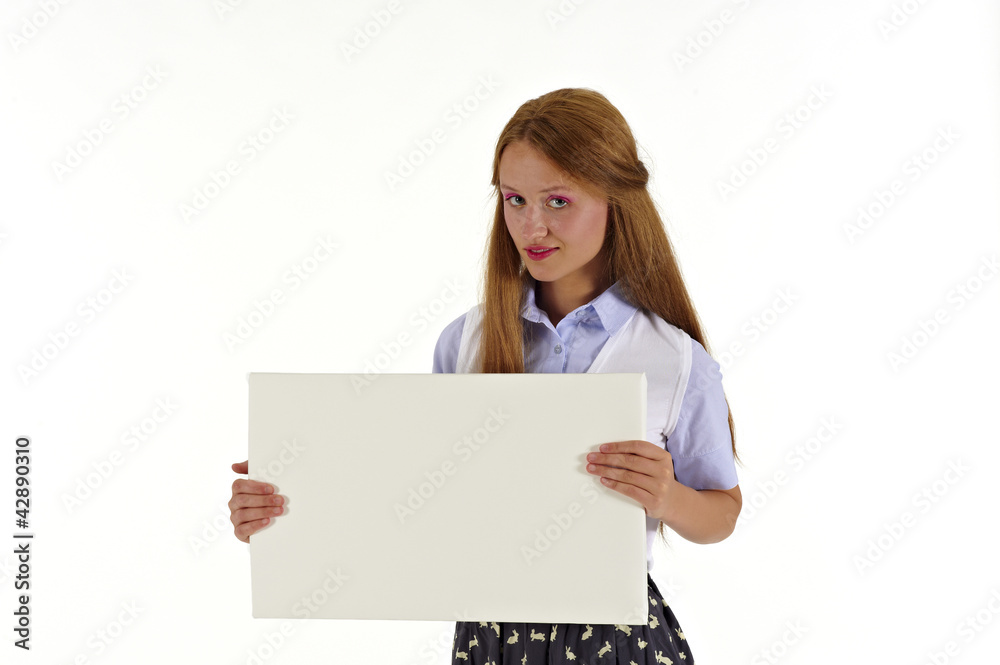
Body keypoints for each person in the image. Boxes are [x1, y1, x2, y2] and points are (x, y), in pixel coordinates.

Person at [229, 87, 741, 665]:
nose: (532, 227)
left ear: (615, 198)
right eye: (515, 199)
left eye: (558, 202)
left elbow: (722, 509)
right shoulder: (465, 342)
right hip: (488, 640)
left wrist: (668, 496)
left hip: (616, 641)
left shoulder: (674, 360)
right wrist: (295, 504)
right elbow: (422, 498)